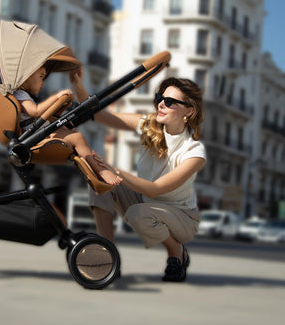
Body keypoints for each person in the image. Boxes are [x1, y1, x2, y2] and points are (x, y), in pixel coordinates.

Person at [70, 69, 206, 282]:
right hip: (144, 202)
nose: (161, 104)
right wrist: (78, 86)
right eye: (160, 98)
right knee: (99, 184)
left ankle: (176, 251)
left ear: (189, 111)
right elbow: (99, 115)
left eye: (170, 102)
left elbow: (156, 189)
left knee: (137, 213)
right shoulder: (148, 125)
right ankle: (110, 257)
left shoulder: (194, 152)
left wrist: (114, 170)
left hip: (181, 217)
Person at [13, 66, 122, 185]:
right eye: (40, 77)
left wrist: (62, 105)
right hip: (36, 135)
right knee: (77, 138)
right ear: (26, 78)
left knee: (71, 129)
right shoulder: (20, 95)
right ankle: (100, 171)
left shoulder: (23, 95)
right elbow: (35, 111)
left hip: (39, 130)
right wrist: (57, 97)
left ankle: (96, 165)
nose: (43, 83)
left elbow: (39, 115)